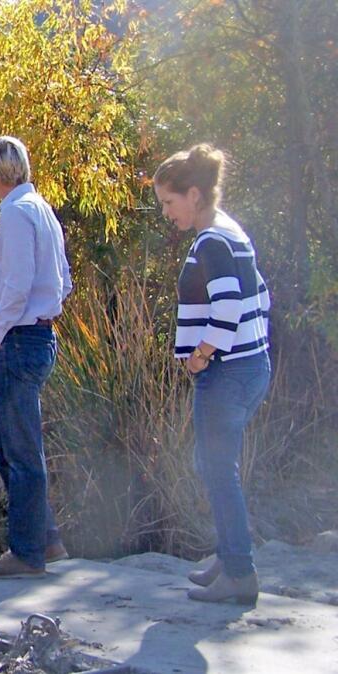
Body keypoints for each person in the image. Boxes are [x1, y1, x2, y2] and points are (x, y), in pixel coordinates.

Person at [154, 144, 271, 604]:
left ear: (195, 194)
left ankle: (240, 573)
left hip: (227, 373)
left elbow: (229, 308)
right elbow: (261, 296)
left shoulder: (214, 241)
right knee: (217, 465)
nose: (166, 213)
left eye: (169, 202)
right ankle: (229, 555)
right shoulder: (230, 232)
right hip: (248, 366)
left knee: (218, 469)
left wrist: (202, 355)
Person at [0, 136, 73, 579]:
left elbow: (15, 285)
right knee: (7, 442)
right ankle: (46, 538)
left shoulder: (14, 213)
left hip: (18, 339)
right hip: (41, 334)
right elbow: (63, 278)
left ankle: (27, 552)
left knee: (19, 449)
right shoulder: (42, 209)